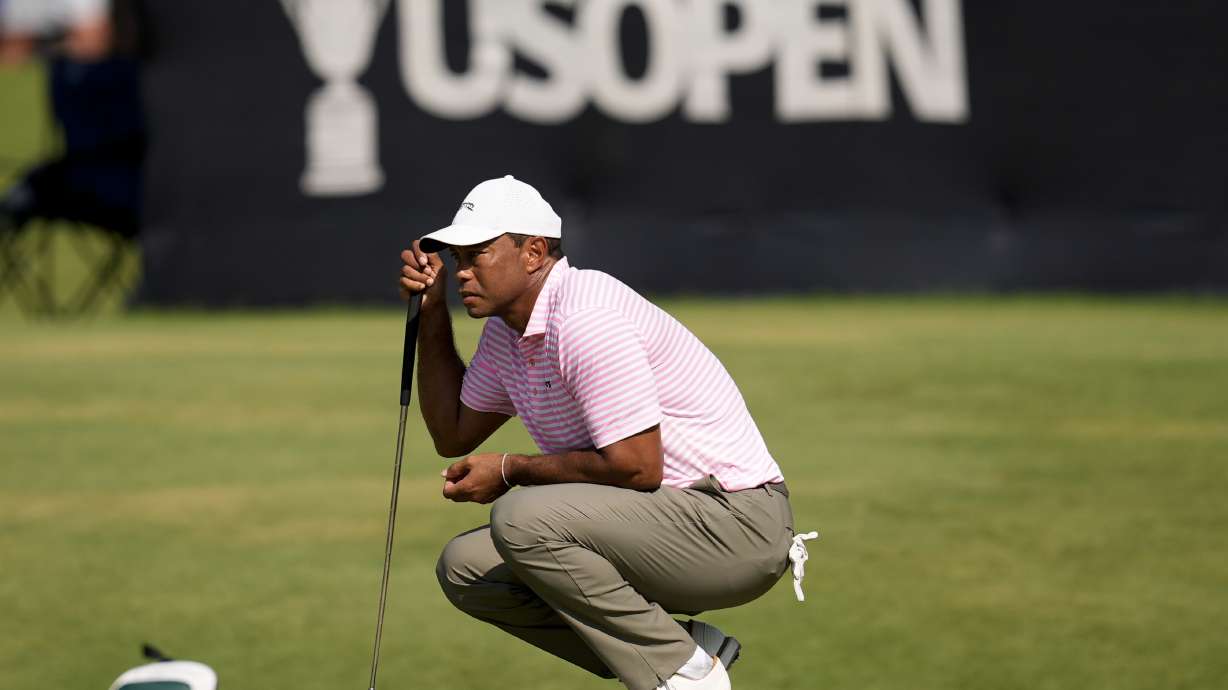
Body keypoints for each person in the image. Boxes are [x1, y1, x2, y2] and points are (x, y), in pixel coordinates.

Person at [397, 175, 811, 690]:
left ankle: (682, 676)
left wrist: (510, 470)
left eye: (477, 254)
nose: (462, 271)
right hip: (667, 520)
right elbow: (453, 434)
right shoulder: (506, 332)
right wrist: (433, 309)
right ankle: (685, 654)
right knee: (466, 569)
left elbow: (636, 466)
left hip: (737, 525)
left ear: (533, 252)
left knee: (521, 517)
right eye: (457, 259)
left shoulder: (585, 314)